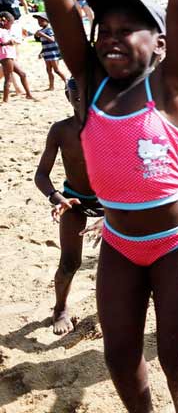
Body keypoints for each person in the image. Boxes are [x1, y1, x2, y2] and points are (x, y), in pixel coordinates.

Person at [43, 0, 178, 412]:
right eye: (103, 27)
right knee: (118, 355)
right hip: (117, 242)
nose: (110, 35)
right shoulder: (90, 85)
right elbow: (57, 0)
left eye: (127, 27)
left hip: (173, 242)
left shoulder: (168, 87)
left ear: (158, 43)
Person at [34, 78, 104, 335]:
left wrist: (116, 212)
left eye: (86, 96)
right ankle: (60, 309)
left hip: (110, 204)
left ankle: (110, 310)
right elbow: (41, 174)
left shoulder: (111, 128)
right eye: (74, 96)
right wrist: (56, 198)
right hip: (73, 201)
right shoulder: (61, 130)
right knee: (69, 262)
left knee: (114, 263)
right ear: (66, 96)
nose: (80, 102)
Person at [0, 11, 34, 101]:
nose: (11, 25)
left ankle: (28, 95)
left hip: (10, 56)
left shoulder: (6, 31)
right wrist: (7, 43)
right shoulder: (0, 31)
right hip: (5, 56)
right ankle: (5, 100)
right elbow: (3, 43)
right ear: (5, 22)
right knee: (8, 78)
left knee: (22, 74)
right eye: (11, 23)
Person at [32, 13, 67, 90]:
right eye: (38, 21)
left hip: (53, 53)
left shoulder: (49, 29)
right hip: (47, 52)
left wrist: (42, 34)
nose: (39, 22)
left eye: (41, 21)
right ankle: (51, 86)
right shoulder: (41, 31)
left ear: (47, 21)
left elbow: (52, 40)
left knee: (56, 70)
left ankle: (66, 82)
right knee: (48, 70)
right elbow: (44, 44)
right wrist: (41, 52)